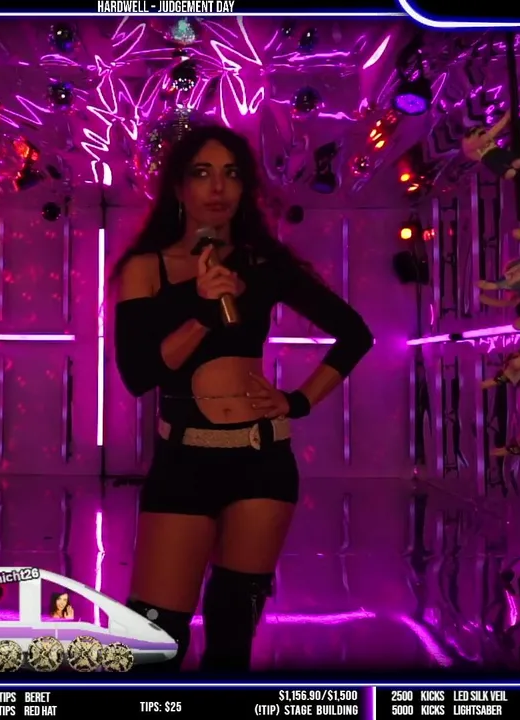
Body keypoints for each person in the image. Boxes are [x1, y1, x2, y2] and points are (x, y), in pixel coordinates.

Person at [110, 125, 373, 671]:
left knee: (232, 637)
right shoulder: (146, 268)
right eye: (202, 173)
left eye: (231, 174)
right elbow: (138, 374)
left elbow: (355, 334)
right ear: (178, 187)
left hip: (262, 460)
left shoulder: (262, 264)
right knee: (155, 637)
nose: (218, 187)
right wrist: (203, 311)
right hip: (185, 458)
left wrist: (298, 401)